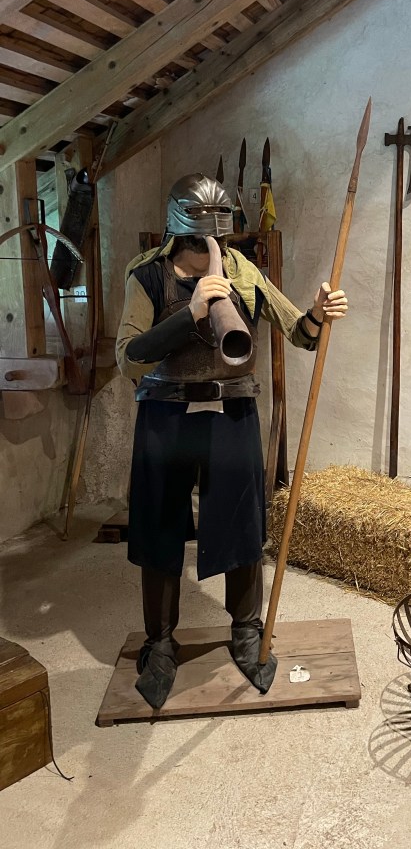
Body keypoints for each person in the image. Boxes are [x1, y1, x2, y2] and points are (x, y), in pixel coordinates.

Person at [116, 174, 347, 708]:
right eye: (201, 231)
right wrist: (192, 312)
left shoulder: (243, 271)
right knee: (159, 524)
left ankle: (246, 630)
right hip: (166, 413)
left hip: (232, 411)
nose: (210, 241)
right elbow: (129, 357)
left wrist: (317, 312)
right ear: (179, 226)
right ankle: (160, 641)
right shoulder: (147, 275)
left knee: (242, 520)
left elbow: (301, 332)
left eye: (216, 232)